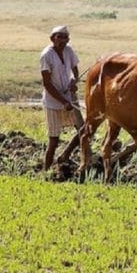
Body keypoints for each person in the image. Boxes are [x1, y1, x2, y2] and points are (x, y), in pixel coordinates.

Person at [40, 25, 84, 171]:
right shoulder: (46, 55)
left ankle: (66, 155)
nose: (62, 40)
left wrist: (74, 81)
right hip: (53, 102)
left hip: (68, 98)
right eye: (59, 37)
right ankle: (45, 172)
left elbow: (75, 70)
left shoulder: (69, 50)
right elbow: (46, 83)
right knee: (53, 140)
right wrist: (63, 102)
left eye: (65, 37)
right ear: (52, 39)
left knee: (83, 131)